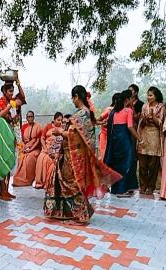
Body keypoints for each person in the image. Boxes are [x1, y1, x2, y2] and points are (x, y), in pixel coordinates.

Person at [44, 85, 121, 225]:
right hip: (77, 155)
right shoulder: (86, 113)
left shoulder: (80, 115)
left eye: (73, 98)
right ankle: (68, 212)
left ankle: (80, 216)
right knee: (70, 183)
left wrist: (60, 132)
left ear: (76, 97)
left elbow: (74, 135)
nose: (72, 101)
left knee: (72, 184)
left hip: (73, 156)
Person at [104, 90, 141, 196]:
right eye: (132, 98)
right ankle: (123, 189)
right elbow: (130, 126)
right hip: (125, 140)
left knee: (117, 165)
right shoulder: (128, 110)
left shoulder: (113, 112)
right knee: (127, 163)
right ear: (127, 100)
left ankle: (116, 189)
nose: (133, 100)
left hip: (115, 142)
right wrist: (139, 138)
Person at [0, 77, 26, 201]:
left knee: (9, 162)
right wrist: (9, 106)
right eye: (9, 91)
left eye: (13, 91)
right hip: (3, 134)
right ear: (4, 91)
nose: (11, 94)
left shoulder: (14, 99)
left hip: (13, 134)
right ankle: (2, 192)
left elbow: (23, 97)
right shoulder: (2, 101)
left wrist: (18, 83)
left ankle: (6, 191)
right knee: (3, 162)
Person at [137, 87, 164, 195]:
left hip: (155, 137)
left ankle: (151, 187)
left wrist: (153, 118)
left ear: (156, 96)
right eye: (148, 95)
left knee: (153, 165)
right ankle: (143, 185)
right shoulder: (144, 106)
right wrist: (144, 118)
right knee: (143, 164)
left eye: (150, 95)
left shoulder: (161, 107)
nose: (148, 97)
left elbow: (161, 123)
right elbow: (141, 122)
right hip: (144, 136)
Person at [34, 112, 63, 189]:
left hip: (56, 148)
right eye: (58, 120)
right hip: (46, 147)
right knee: (41, 158)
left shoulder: (63, 128)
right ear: (54, 119)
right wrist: (45, 148)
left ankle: (49, 181)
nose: (60, 122)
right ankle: (40, 182)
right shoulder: (48, 126)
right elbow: (42, 138)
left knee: (49, 160)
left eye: (61, 120)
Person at [13, 111, 42, 187]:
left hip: (35, 148)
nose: (30, 118)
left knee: (30, 157)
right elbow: (22, 140)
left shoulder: (38, 126)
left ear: (33, 117)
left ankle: (28, 180)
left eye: (31, 116)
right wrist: (24, 148)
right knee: (21, 156)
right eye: (28, 117)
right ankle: (19, 179)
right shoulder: (24, 127)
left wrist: (31, 149)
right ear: (26, 118)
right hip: (25, 147)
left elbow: (38, 141)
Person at [97, 93, 120, 160]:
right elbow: (98, 120)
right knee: (104, 153)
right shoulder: (109, 110)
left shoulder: (120, 110)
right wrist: (103, 123)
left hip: (114, 135)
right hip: (105, 134)